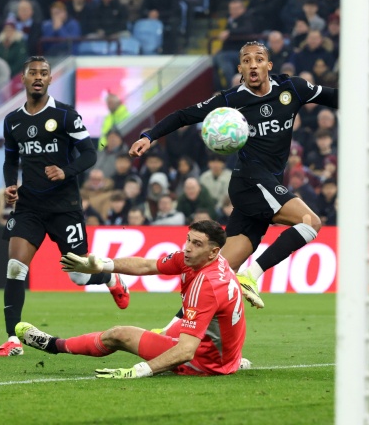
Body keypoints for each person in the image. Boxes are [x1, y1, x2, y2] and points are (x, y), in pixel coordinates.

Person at [129, 41, 339, 314]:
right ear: (240, 68)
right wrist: (149, 135)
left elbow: (335, 97)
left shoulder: (292, 89)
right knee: (310, 222)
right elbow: (184, 115)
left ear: (269, 66)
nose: (253, 64)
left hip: (267, 186)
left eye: (259, 59)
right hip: (249, 181)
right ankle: (252, 276)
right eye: (247, 60)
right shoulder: (231, 100)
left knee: (217, 275)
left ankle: (171, 333)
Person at [0, 56, 129, 357]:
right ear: (24, 79)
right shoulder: (12, 120)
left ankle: (110, 277)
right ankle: (13, 339)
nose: (38, 77)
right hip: (29, 206)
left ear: (51, 79)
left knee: (78, 276)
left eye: (44, 73)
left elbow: (90, 154)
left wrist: (65, 171)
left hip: (64, 206)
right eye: (33, 73)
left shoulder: (66, 115)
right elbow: (10, 159)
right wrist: (10, 185)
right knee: (15, 267)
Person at [16, 220, 248, 377]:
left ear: (213, 251)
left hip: (204, 361)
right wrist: (101, 265)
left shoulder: (205, 284)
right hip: (223, 349)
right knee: (166, 332)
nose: (187, 248)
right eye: (188, 239)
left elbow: (186, 351)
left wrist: (139, 370)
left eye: (196, 244)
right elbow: (147, 265)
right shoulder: (206, 261)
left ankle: (54, 345)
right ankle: (233, 361)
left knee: (119, 335)